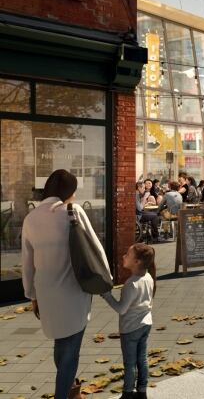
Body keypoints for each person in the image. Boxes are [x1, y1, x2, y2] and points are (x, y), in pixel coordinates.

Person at [22, 169, 112, 399]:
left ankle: (73, 391)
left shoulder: (30, 218)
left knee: (61, 344)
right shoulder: (73, 211)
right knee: (70, 350)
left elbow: (27, 262)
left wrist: (32, 295)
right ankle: (65, 394)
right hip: (74, 290)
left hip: (46, 292)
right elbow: (95, 247)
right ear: (69, 191)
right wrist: (106, 278)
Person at [101, 243, 155, 399]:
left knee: (130, 363)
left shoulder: (131, 284)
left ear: (137, 261)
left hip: (130, 328)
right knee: (142, 358)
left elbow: (121, 309)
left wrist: (107, 295)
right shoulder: (148, 277)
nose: (123, 256)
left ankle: (127, 393)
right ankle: (142, 390)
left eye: (127, 254)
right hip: (146, 324)